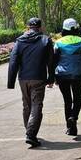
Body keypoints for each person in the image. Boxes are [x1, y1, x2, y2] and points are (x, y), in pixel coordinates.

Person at [7, 18, 55, 147]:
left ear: (28, 27)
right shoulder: (46, 40)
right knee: (37, 105)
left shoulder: (20, 40)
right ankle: (31, 134)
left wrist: (11, 81)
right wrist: (51, 78)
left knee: (27, 105)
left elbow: (13, 61)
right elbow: (51, 62)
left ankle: (29, 131)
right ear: (40, 27)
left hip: (23, 78)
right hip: (39, 77)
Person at [53, 18, 81, 137]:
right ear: (75, 28)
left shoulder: (58, 42)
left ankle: (70, 128)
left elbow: (54, 61)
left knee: (67, 100)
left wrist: (53, 77)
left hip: (62, 75)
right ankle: (73, 117)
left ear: (64, 28)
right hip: (78, 74)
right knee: (78, 99)